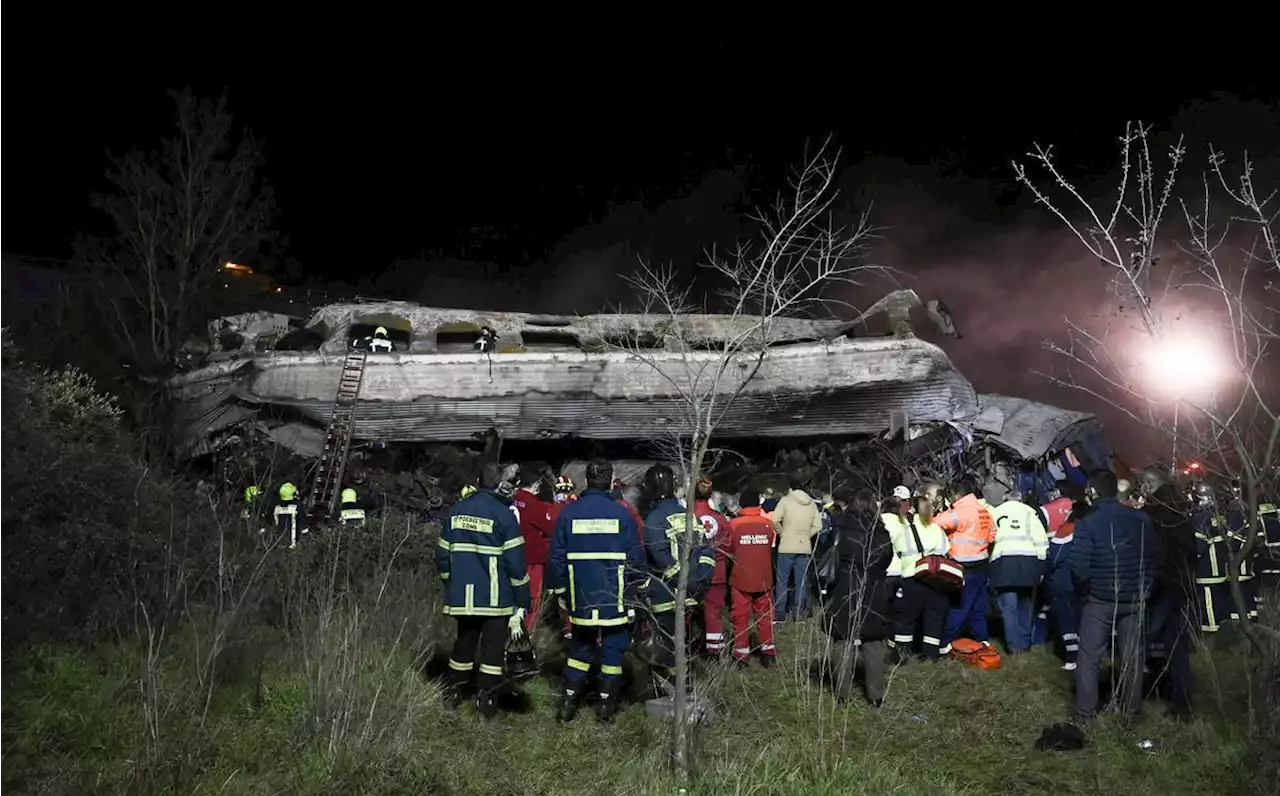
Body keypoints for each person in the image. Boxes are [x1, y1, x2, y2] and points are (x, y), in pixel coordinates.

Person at [547, 459, 644, 723]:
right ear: (611, 481)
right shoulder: (622, 513)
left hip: (581, 596)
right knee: (613, 652)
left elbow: (556, 558)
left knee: (579, 651)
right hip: (615, 596)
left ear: (586, 481)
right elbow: (636, 558)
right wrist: (637, 591)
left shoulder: (568, 513)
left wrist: (560, 593)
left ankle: (568, 705)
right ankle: (605, 708)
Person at [435, 462, 531, 719]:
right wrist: (523, 599)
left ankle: (453, 694)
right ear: (501, 484)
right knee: (491, 651)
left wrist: (450, 584)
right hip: (494, 599)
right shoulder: (503, 515)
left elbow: (442, 556)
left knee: (463, 645)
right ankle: (486, 704)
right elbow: (515, 564)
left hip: (462, 598)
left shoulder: (457, 510)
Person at [1070, 469, 1162, 723]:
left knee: (1089, 659)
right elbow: (1155, 557)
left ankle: (1085, 716)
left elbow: (1078, 565)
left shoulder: (1089, 522)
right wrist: (1146, 588)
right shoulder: (1141, 519)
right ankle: (1131, 713)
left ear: (1093, 492)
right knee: (1133, 657)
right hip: (1135, 599)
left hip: (1100, 599)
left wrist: (1086, 591)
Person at [641, 465, 716, 683]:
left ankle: (671, 693)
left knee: (668, 649)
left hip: (666, 597)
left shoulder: (654, 520)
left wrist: (687, 584)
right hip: (693, 596)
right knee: (685, 645)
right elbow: (707, 552)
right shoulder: (690, 516)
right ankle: (685, 685)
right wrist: (701, 581)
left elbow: (662, 559)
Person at [824, 489, 894, 705]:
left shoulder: (842, 529)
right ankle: (875, 696)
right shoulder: (882, 533)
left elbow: (830, 555)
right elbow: (887, 560)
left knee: (843, 640)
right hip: (874, 589)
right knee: (873, 642)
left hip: (846, 586)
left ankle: (843, 695)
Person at [929, 478, 996, 653]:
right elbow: (992, 534)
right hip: (982, 562)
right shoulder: (983, 510)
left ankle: (944, 643)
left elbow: (933, 524)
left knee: (959, 607)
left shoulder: (960, 511)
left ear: (957, 494)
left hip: (963, 565)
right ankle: (983, 640)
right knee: (978, 607)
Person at [887, 495, 952, 661]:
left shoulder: (907, 531)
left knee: (906, 618)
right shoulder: (938, 529)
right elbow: (946, 548)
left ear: (913, 509)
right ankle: (930, 654)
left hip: (912, 578)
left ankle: (902, 653)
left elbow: (899, 549)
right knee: (933, 618)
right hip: (936, 580)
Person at [988, 488, 1050, 654]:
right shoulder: (1030, 513)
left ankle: (1014, 646)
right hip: (1029, 562)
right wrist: (1041, 568)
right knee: (1026, 604)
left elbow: (988, 538)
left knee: (1008, 607)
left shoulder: (995, 512)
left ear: (1004, 498)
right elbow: (1042, 542)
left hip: (1004, 562)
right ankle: (1025, 642)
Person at [725, 487, 778, 666]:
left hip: (740, 578)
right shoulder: (769, 524)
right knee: (765, 617)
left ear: (742, 504)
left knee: (740, 617)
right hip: (764, 578)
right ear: (758, 503)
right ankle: (768, 654)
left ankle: (741, 656)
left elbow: (729, 550)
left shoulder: (734, 524)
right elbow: (771, 547)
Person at [772, 474, 824, 622]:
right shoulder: (812, 504)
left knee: (782, 581)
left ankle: (780, 615)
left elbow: (774, 520)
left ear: (790, 487)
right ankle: (799, 615)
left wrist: (783, 533)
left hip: (787, 546)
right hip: (804, 547)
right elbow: (818, 526)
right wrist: (807, 535)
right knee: (801, 582)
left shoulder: (785, 501)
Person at [512, 468, 555, 635]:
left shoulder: (511, 500)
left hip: (510, 558)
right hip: (531, 560)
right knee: (531, 599)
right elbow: (551, 528)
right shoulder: (535, 505)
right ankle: (525, 636)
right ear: (536, 484)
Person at [692, 476, 732, 657]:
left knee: (688, 611)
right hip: (717, 571)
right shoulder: (719, 518)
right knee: (714, 612)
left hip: (692, 572)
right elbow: (730, 544)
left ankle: (687, 649)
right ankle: (715, 650)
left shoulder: (687, 517)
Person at [272, 481, 308, 549]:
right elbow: (302, 520)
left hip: (279, 542)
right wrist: (304, 529)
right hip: (293, 543)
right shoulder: (297, 506)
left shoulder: (277, 507)